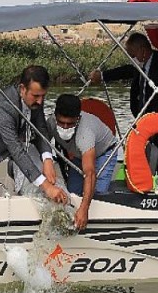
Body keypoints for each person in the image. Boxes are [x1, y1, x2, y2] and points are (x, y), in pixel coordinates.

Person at [0, 65, 68, 204]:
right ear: (22, 89)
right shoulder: (4, 106)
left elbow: (40, 128)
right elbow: (15, 149)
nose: (40, 101)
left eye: (43, 96)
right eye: (36, 96)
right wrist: (46, 186)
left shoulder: (35, 98)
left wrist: (47, 159)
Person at [89, 32, 158, 180]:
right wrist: (102, 75)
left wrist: (148, 124)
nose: (132, 59)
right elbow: (126, 70)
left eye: (133, 55)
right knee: (153, 159)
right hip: (148, 124)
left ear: (142, 50)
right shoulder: (144, 65)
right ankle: (154, 181)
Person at [48, 94, 117, 230]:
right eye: (61, 123)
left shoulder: (85, 133)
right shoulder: (50, 122)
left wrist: (84, 209)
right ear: (55, 116)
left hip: (104, 152)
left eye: (70, 124)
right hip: (78, 155)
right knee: (73, 195)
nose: (65, 127)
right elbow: (42, 147)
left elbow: (90, 173)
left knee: (97, 197)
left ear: (78, 119)